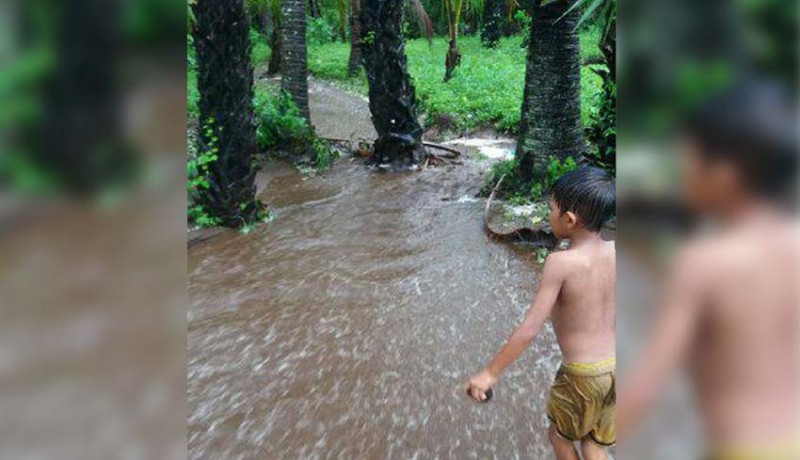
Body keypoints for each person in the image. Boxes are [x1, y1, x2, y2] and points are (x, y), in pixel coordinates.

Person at [617, 81, 800, 459]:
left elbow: (650, 384)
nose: (683, 173)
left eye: (690, 159)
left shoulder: (706, 261)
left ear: (727, 172)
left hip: (741, 448)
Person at [466, 166, 616, 460]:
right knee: (595, 442)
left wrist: (489, 373)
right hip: (619, 367)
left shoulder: (561, 263)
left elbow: (531, 328)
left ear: (569, 220)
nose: (549, 216)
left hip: (582, 376)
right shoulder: (617, 251)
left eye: (552, 210)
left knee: (559, 436)